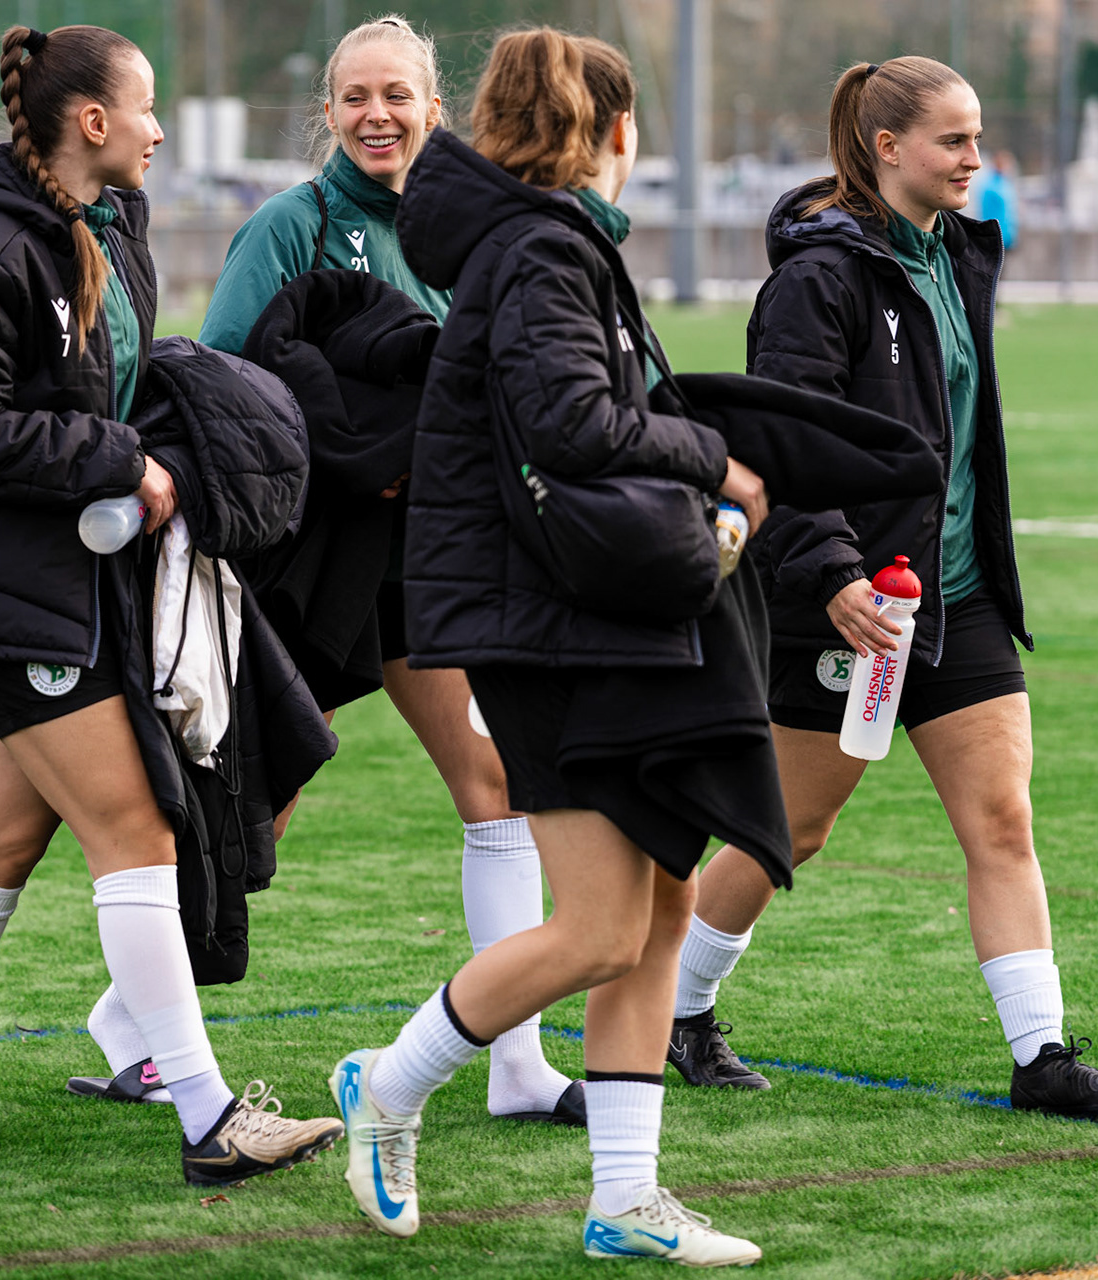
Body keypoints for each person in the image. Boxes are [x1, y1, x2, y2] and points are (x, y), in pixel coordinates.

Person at [0, 23, 342, 1184]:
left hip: (68, 573)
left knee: (1, 845)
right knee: (138, 829)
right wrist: (117, 460)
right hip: (0, 582)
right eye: (148, 108)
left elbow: (106, 378)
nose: (163, 130)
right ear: (92, 123)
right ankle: (211, 1117)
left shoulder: (109, 223)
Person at [73, 14, 583, 1130]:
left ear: (435, 106)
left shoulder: (469, 228)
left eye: (397, 94)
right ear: (328, 113)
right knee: (267, 787)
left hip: (436, 558)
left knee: (493, 786)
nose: (377, 115)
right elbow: (218, 391)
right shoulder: (290, 226)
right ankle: (132, 1022)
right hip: (313, 556)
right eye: (355, 97)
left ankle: (519, 1064)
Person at [330, 30, 786, 1266]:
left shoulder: (543, 242)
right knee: (596, 925)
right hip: (548, 632)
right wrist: (715, 461)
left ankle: (626, 1197)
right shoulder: (539, 246)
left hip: (592, 622)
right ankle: (390, 1079)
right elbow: (576, 424)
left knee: (665, 901)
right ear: (609, 134)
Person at [668, 56, 1098, 1120]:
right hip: (851, 599)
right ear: (887, 148)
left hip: (960, 593)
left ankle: (1044, 1058)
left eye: (978, 137)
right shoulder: (818, 277)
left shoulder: (959, 253)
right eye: (954, 141)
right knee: (789, 829)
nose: (975, 160)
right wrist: (833, 570)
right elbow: (780, 441)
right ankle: (678, 1007)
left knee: (1002, 819)